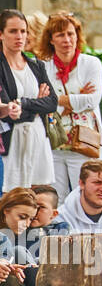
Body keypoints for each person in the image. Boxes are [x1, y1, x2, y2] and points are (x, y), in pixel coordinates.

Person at [36, 11, 102, 199]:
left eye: (71, 34)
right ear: (51, 40)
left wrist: (57, 101)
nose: (67, 40)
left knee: (84, 196)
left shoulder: (91, 64)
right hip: (54, 141)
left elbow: (92, 100)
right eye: (60, 35)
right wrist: (77, 98)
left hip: (84, 142)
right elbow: (40, 103)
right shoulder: (43, 66)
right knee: (56, 197)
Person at [0, 10, 57, 190]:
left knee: (39, 193)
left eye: (23, 31)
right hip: (12, 138)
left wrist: (24, 103)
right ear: (1, 34)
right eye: (13, 31)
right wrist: (36, 105)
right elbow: (8, 114)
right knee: (11, 197)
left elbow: (52, 102)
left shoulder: (36, 65)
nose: (20, 36)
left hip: (38, 135)